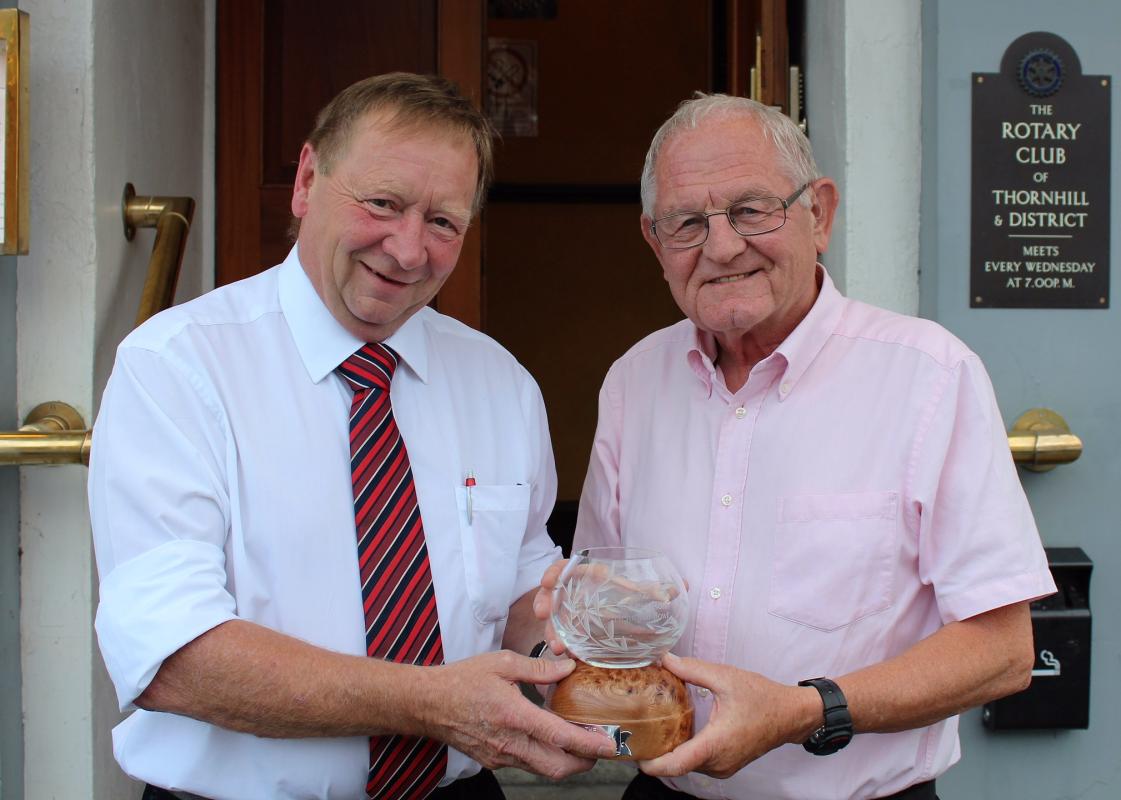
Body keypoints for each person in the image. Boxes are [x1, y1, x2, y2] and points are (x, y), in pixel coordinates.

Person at [88, 72, 616, 800]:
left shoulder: (500, 384)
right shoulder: (177, 368)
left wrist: (564, 629)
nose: (406, 250)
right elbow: (175, 659)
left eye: (443, 223)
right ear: (307, 180)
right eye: (382, 204)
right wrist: (430, 702)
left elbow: (518, 592)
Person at [535, 94, 1056, 800]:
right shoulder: (634, 381)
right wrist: (577, 624)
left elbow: (1001, 653)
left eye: (752, 210)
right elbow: (610, 595)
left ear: (820, 214)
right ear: (654, 245)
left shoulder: (928, 375)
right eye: (686, 223)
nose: (720, 247)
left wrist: (806, 711)